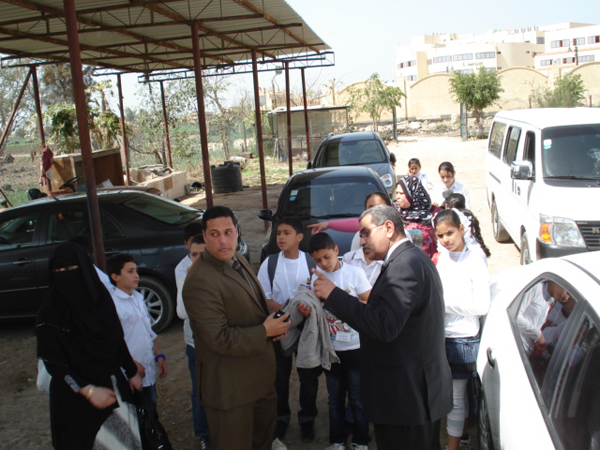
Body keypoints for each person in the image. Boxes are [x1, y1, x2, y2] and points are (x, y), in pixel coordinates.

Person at [312, 205, 452, 450]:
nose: (361, 241)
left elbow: (384, 326)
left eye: (366, 233)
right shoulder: (409, 259)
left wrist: (334, 295)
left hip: (407, 398)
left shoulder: (404, 265)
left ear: (388, 228)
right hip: (411, 394)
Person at [183, 206, 290, 450]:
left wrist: (273, 324)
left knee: (262, 442)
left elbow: (251, 308)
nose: (223, 240)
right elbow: (218, 338)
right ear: (204, 235)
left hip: (259, 380)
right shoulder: (199, 280)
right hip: (230, 391)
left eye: (228, 232)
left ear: (237, 232)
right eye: (214, 234)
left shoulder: (237, 258)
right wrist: (265, 331)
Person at [36, 241, 143, 450]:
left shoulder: (101, 302)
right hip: (75, 403)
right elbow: (54, 364)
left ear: (84, 269)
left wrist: (131, 372)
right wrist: (88, 390)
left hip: (113, 390)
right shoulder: (50, 315)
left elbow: (115, 340)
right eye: (59, 271)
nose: (66, 275)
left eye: (72, 268)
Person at [256, 218, 320, 446]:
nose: (281, 237)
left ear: (299, 237)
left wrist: (305, 311)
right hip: (278, 328)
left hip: (305, 329)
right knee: (279, 378)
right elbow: (263, 296)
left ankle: (307, 420)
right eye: (278, 233)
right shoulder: (270, 263)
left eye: (286, 233)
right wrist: (286, 312)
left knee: (308, 377)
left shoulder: (311, 262)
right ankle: (281, 419)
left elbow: (317, 295)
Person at [305, 232, 371, 450]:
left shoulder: (355, 273)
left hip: (356, 347)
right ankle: (337, 441)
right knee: (334, 398)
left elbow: (368, 301)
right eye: (318, 260)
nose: (324, 263)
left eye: (327, 257)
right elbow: (315, 310)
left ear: (336, 250)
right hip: (331, 349)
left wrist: (346, 302)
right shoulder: (316, 280)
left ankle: (361, 441)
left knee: (358, 398)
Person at [433, 209, 491, 450]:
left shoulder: (475, 258)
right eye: (440, 235)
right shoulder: (443, 257)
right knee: (453, 397)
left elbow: (481, 305)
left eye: (450, 233)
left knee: (456, 399)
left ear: (461, 229)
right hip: (442, 336)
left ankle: (453, 446)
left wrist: (443, 303)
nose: (446, 239)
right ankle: (462, 436)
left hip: (463, 339)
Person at [107, 254, 167, 408]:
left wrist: (158, 354)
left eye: (136, 271)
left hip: (148, 367)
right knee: (137, 409)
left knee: (151, 406)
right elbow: (114, 342)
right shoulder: (113, 305)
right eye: (130, 271)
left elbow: (148, 330)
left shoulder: (138, 297)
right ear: (115, 276)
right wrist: (131, 366)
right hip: (130, 371)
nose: (136, 275)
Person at [175, 232, 212, 450]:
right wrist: (188, 281)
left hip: (218, 342)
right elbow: (182, 312)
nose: (196, 259)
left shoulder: (219, 272)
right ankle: (204, 433)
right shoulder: (183, 272)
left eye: (201, 254)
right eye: (193, 254)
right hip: (195, 344)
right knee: (199, 390)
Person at [308, 191, 392, 251]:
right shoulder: (358, 237)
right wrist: (328, 224)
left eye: (379, 207)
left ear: (390, 208)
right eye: (370, 207)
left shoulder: (398, 233)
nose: (375, 211)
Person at [395, 175, 440, 257]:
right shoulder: (395, 213)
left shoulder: (434, 212)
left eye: (401, 193)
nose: (397, 197)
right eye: (396, 193)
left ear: (413, 194)